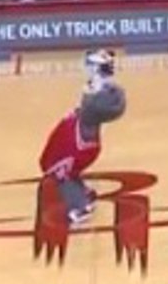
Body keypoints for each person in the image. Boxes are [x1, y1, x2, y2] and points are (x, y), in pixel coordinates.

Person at [38, 50, 127, 227]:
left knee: (58, 173)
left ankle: (80, 207)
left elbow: (91, 92)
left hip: (78, 146)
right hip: (80, 141)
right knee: (65, 171)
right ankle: (84, 193)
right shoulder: (102, 100)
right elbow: (94, 89)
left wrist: (100, 71)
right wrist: (102, 70)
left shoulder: (96, 104)